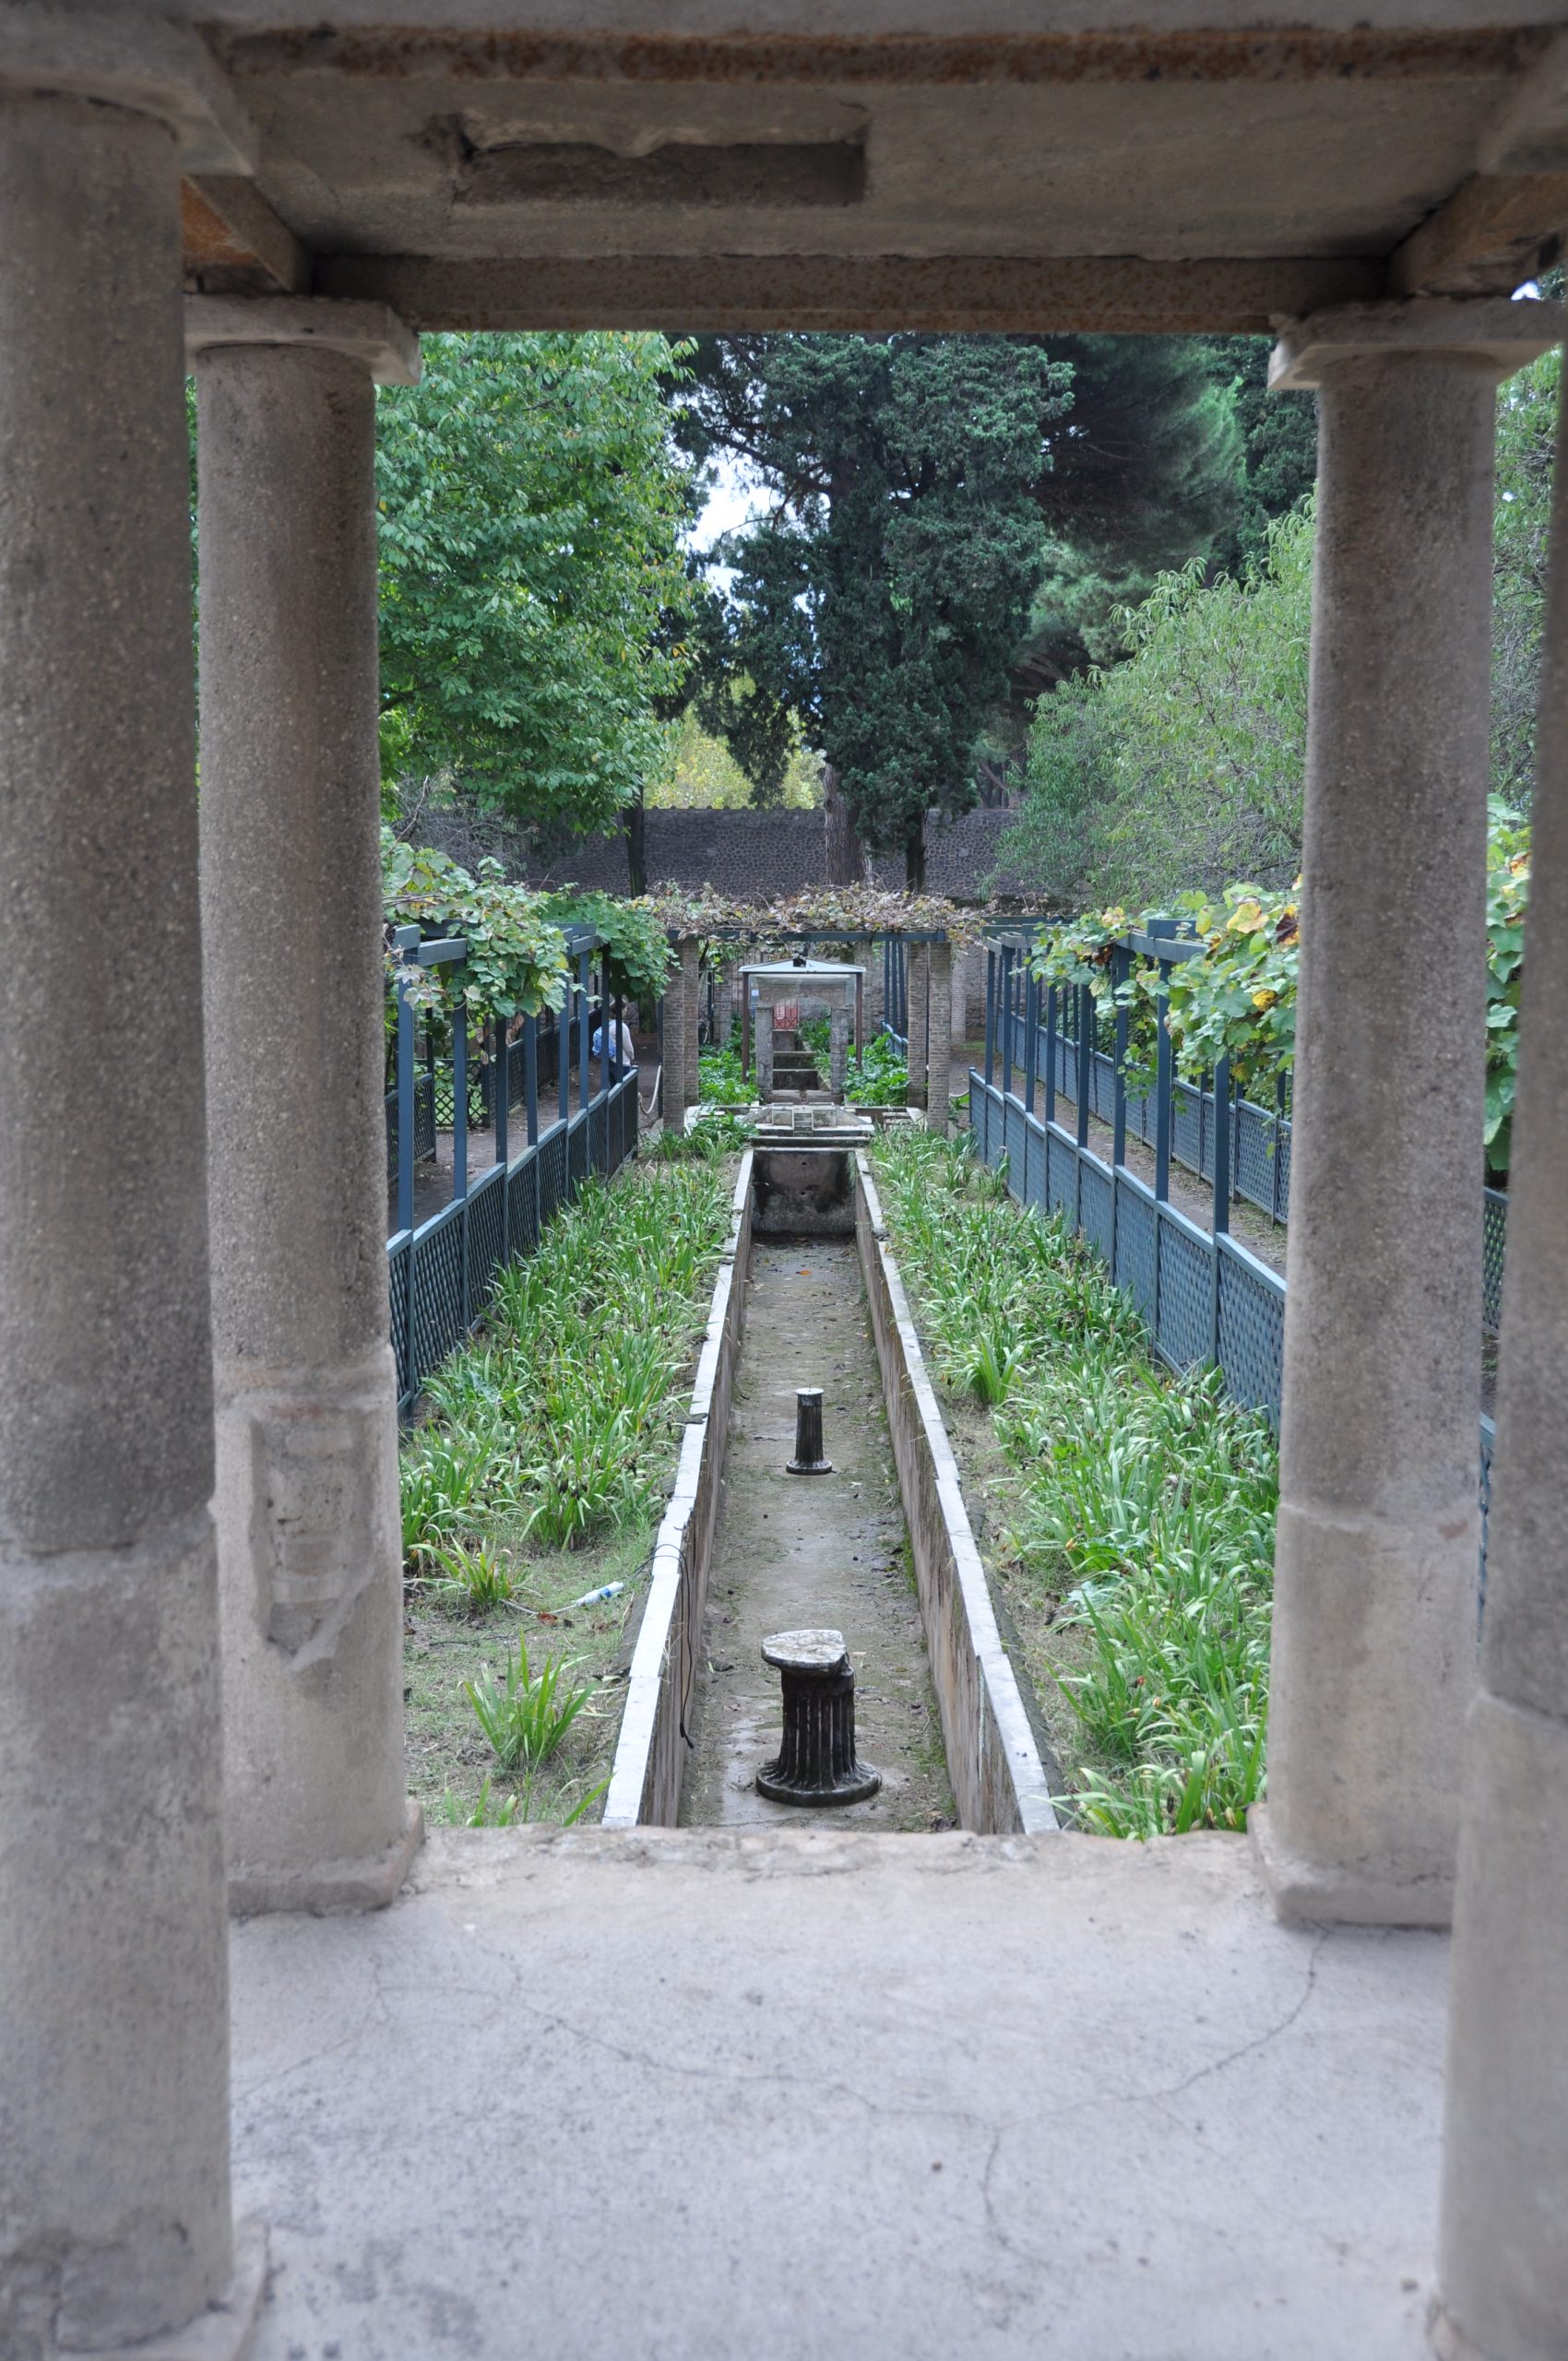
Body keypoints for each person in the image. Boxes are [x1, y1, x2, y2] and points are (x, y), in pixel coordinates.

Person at [590, 1006, 636, 1077]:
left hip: (610, 1061)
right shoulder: (621, 1026)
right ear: (621, 1010)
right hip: (622, 1062)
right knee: (625, 1087)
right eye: (625, 1008)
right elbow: (628, 1047)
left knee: (613, 1086)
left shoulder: (609, 1024)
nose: (627, 1010)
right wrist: (632, 1057)